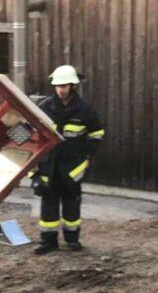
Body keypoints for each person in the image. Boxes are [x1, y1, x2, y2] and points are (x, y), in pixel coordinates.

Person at [31, 65, 105, 255]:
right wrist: (34, 172)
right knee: (48, 205)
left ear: (73, 86)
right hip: (49, 165)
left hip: (72, 166)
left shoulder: (85, 110)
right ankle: (48, 241)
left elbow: (97, 133)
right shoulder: (45, 107)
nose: (61, 89)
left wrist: (87, 156)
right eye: (58, 86)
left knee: (72, 204)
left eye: (64, 86)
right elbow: (33, 138)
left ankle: (72, 240)